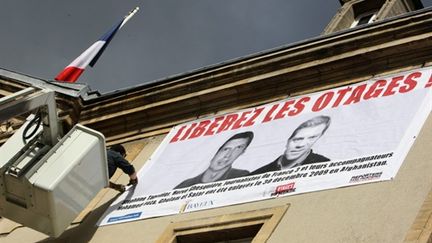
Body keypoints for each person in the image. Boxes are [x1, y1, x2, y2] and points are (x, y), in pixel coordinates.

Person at [252, 115, 331, 174]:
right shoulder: (257, 174)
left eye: (312, 138)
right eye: (297, 139)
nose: (301, 145)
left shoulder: (326, 165)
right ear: (286, 140)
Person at [174, 131, 254, 189]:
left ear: (242, 152)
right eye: (226, 149)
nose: (228, 155)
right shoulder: (185, 185)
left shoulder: (240, 176)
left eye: (238, 148)